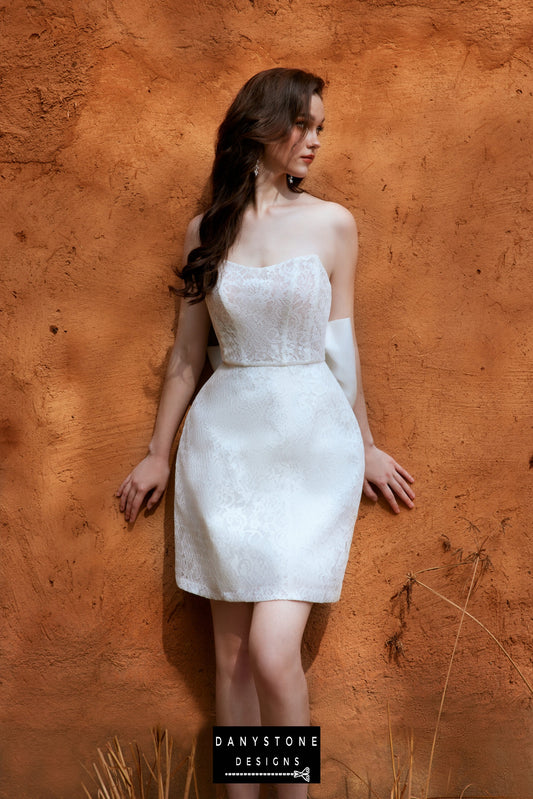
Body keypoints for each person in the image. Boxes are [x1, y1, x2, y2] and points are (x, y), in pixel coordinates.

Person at [117, 67, 415, 799]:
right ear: (261, 128)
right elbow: (187, 357)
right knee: (233, 661)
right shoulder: (206, 231)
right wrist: (158, 454)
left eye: (320, 128)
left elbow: (342, 350)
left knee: (274, 651)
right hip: (225, 451)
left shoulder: (334, 224)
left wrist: (364, 443)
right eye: (303, 125)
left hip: (311, 448)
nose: (314, 141)